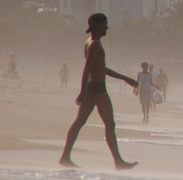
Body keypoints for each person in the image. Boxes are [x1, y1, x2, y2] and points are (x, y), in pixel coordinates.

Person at [59, 13, 138, 170]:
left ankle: (65, 157)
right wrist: (82, 91)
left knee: (80, 122)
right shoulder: (95, 44)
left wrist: (124, 78)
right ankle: (118, 162)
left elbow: (100, 68)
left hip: (92, 87)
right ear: (97, 25)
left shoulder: (89, 43)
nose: (107, 27)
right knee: (109, 123)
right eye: (105, 24)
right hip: (97, 88)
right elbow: (87, 68)